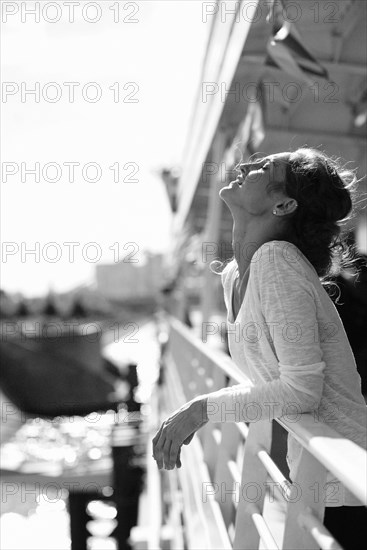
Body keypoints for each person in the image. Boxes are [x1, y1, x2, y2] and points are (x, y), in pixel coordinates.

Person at [152, 147, 367, 548]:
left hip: (346, 481)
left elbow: (302, 388)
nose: (246, 166)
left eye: (265, 167)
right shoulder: (235, 274)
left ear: (284, 203)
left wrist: (202, 409)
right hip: (315, 480)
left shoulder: (276, 261)